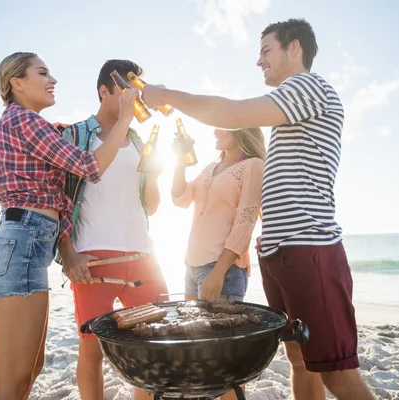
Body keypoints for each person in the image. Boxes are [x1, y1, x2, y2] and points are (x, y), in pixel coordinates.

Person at [141, 19, 375, 400]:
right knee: (300, 360)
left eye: (266, 50)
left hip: (309, 247)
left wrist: (169, 96)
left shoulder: (308, 86)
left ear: (293, 48)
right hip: (280, 252)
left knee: (336, 372)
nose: (259, 61)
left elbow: (232, 114)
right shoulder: (291, 107)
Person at [0, 52, 138, 400]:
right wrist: (125, 118)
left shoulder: (24, 123)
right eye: (42, 73)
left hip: (26, 246)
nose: (53, 80)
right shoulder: (24, 120)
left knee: (28, 371)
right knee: (13, 380)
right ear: (16, 83)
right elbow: (89, 167)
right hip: (20, 245)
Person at [55, 59, 169, 400]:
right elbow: (58, 201)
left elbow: (150, 205)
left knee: (151, 348)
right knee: (92, 350)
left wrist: (155, 176)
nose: (136, 94)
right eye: (126, 87)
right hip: (93, 259)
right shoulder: (74, 135)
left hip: (143, 255)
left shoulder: (137, 141)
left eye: (138, 86)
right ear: (104, 92)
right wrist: (68, 254)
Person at [172, 128, 265, 304]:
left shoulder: (253, 165)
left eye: (223, 126)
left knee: (218, 331)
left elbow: (244, 224)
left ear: (242, 130)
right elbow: (181, 199)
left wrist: (219, 271)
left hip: (222, 269)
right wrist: (180, 160)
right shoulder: (210, 167)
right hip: (192, 264)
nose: (215, 131)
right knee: (193, 331)